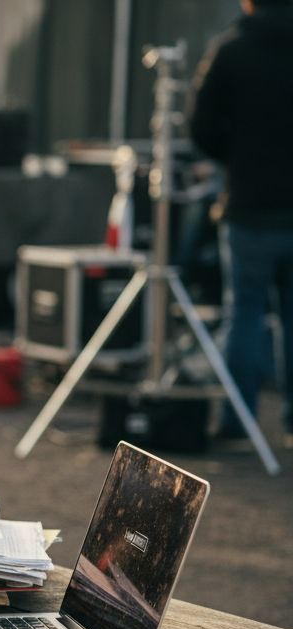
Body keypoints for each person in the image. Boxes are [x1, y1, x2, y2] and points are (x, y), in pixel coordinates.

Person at [189, 0, 293, 447]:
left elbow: (200, 128)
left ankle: (239, 423)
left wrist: (235, 154)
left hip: (249, 204)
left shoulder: (230, 49)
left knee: (244, 315)